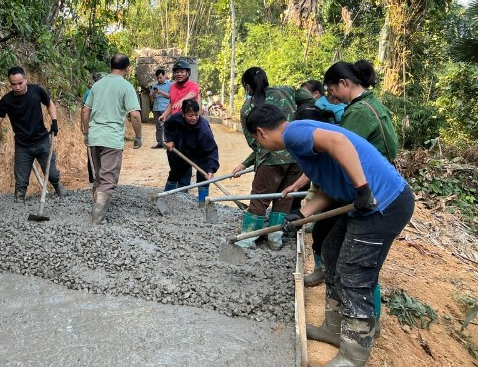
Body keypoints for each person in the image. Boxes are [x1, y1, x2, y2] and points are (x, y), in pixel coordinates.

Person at [246, 104, 414, 367]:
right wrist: (301, 215)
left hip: (385, 204)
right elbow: (328, 187)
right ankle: (333, 328)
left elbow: (339, 140)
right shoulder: (297, 141)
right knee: (332, 252)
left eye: (256, 140)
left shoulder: (294, 134)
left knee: (354, 273)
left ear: (261, 132)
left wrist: (362, 188)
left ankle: (353, 355)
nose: (260, 145)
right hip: (365, 205)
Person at [232, 67, 314, 250]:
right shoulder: (286, 91)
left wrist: (256, 157)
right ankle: (275, 239)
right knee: (285, 197)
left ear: (247, 86)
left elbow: (254, 141)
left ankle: (248, 238)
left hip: (269, 160)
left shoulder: (248, 107)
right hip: (296, 157)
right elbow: (309, 99)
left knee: (260, 199)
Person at [0, 66, 66, 203]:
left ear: (26, 80)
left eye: (20, 83)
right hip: (23, 146)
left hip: (42, 141)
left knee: (52, 175)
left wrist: (54, 121)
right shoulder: (6, 101)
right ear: (9, 83)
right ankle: (19, 203)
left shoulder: (36, 91)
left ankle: (58, 187)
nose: (17, 87)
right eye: (13, 84)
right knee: (21, 183)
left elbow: (49, 104)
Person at [81, 53, 143, 224]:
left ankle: (96, 211)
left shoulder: (97, 85)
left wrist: (86, 133)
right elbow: (135, 115)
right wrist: (138, 136)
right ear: (127, 68)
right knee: (108, 179)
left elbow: (86, 111)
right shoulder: (126, 86)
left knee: (99, 177)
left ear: (111, 66)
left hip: (95, 137)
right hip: (111, 139)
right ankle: (97, 220)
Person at [163, 99, 220, 203]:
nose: (194, 118)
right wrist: (170, 140)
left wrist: (211, 169)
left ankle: (203, 204)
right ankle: (165, 199)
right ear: (183, 114)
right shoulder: (176, 118)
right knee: (174, 173)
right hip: (185, 151)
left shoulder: (204, 130)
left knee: (204, 179)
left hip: (202, 155)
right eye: (190, 115)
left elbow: (212, 150)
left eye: (196, 115)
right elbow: (168, 126)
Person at [159, 60, 200, 187]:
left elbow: (192, 94)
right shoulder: (172, 87)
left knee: (186, 155)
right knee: (171, 152)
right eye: (176, 72)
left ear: (188, 73)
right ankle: (175, 179)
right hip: (173, 125)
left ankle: (184, 186)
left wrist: (182, 100)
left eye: (182, 72)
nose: (179, 74)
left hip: (188, 126)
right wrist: (165, 114)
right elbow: (172, 103)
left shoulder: (193, 85)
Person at [149, 69, 172, 148]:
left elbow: (171, 96)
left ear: (164, 76)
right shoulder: (154, 85)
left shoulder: (170, 85)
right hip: (156, 108)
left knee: (166, 126)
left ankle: (167, 143)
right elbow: (151, 98)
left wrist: (161, 92)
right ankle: (160, 143)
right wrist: (154, 94)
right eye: (157, 78)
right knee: (158, 126)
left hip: (166, 108)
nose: (159, 79)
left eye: (160, 77)